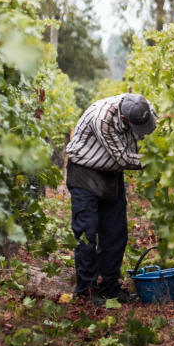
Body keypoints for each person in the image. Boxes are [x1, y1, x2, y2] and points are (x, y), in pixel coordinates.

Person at [64, 93, 157, 305]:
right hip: (84, 172)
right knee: (87, 232)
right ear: (124, 118)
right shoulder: (102, 118)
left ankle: (110, 289)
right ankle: (86, 291)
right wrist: (156, 160)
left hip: (112, 174)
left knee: (116, 232)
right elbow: (123, 157)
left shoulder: (144, 107)